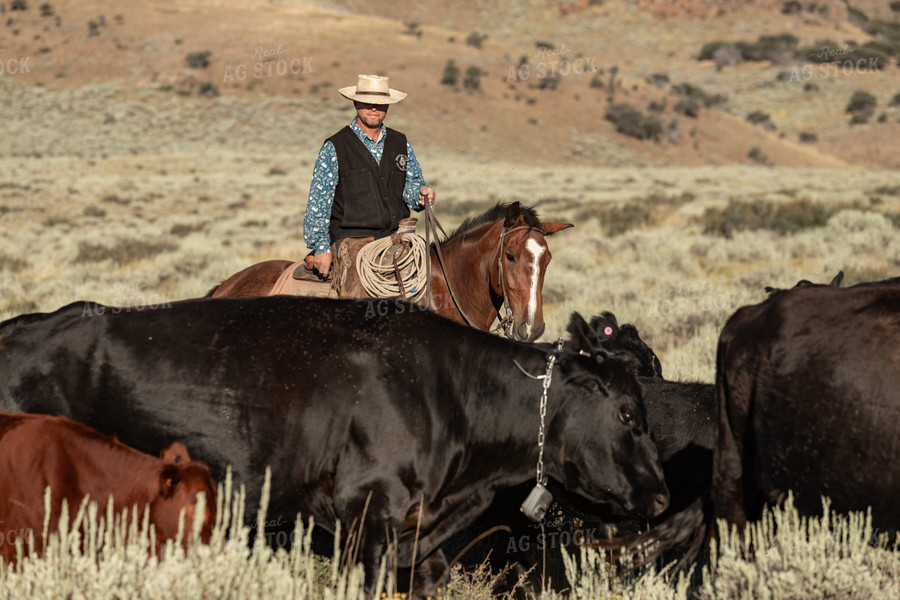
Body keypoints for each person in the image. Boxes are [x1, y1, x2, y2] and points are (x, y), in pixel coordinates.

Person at [303, 74, 436, 278]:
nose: (374, 108)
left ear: (388, 106)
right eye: (368, 103)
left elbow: (411, 184)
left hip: (397, 238)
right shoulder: (335, 147)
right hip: (352, 242)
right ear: (356, 102)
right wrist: (321, 247)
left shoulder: (400, 142)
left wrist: (420, 194)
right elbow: (319, 204)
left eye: (380, 104)